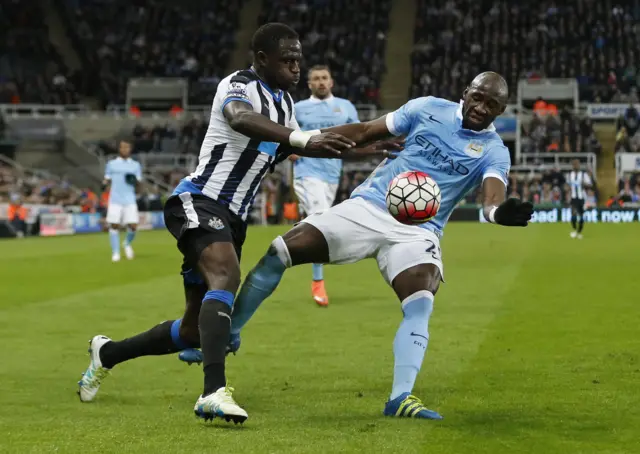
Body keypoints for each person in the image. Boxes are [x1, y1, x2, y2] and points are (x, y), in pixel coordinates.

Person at [77, 23, 395, 424]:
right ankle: (213, 393)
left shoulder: (285, 107)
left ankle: (107, 353)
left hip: (234, 219)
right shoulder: (238, 85)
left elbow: (298, 145)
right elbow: (240, 118)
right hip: (199, 199)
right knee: (226, 274)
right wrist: (301, 140)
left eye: (299, 59)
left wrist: (366, 148)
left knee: (194, 332)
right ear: (262, 59)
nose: (297, 67)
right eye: (288, 60)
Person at [228, 72, 534, 420]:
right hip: (370, 206)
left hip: (419, 232)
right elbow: (364, 131)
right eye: (477, 97)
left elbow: (492, 199)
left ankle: (401, 397)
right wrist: (302, 141)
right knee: (279, 251)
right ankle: (231, 332)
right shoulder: (427, 108)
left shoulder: (494, 152)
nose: (480, 107)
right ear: (466, 92)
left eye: (491, 105)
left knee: (420, 303)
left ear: (502, 109)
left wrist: (499, 214)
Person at [290, 65, 360, 306]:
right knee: (320, 219)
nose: (320, 82)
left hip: (333, 173)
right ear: (309, 84)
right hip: (307, 171)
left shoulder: (345, 107)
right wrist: (288, 149)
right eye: (316, 79)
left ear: (331, 82)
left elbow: (359, 133)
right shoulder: (298, 108)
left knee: (321, 219)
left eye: (324, 78)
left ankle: (302, 228)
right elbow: (282, 132)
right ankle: (318, 281)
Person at [103, 139, 142, 262]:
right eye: (122, 147)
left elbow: (139, 183)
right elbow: (107, 179)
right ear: (119, 149)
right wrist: (103, 184)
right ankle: (116, 253)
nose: (125, 149)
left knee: (133, 226)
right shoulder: (111, 164)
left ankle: (126, 243)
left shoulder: (135, 165)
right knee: (114, 225)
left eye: (127, 147)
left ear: (130, 149)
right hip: (115, 199)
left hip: (129, 198)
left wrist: (136, 184)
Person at [567, 159, 592, 239]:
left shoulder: (583, 175)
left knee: (581, 216)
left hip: (581, 198)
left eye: (577, 164)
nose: (576, 166)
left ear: (579, 165)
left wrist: (584, 184)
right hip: (573, 198)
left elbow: (590, 184)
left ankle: (579, 232)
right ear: (572, 166)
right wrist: (568, 192)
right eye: (574, 165)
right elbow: (567, 186)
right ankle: (574, 230)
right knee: (573, 214)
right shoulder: (570, 175)